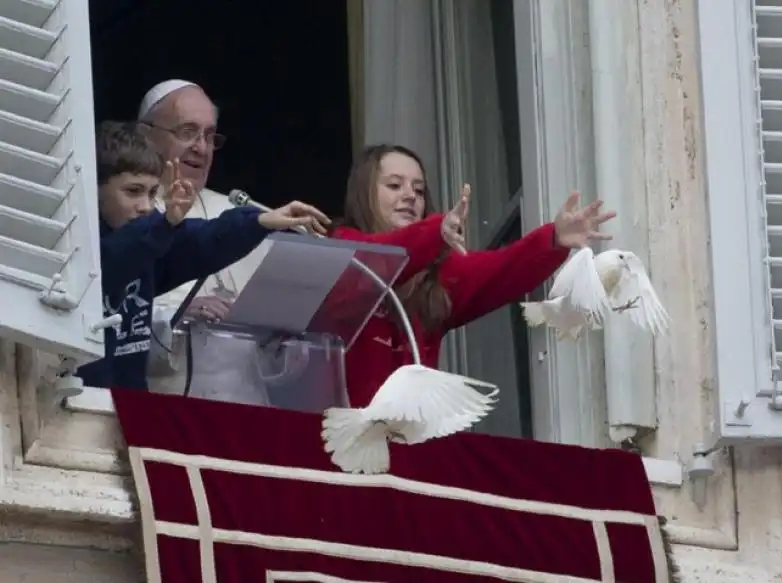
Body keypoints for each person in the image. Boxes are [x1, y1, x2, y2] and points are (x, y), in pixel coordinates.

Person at [331, 144, 617, 408]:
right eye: (395, 185)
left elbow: (503, 268)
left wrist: (554, 238)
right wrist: (435, 232)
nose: (410, 196)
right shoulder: (341, 249)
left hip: (411, 446)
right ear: (364, 194)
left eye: (419, 190)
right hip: (341, 444)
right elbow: (376, 259)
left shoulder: (436, 274)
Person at [76, 121, 329, 391]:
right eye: (133, 191)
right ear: (95, 188)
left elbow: (204, 239)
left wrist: (261, 221)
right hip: (79, 405)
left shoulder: (151, 241)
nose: (146, 207)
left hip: (129, 407)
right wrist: (163, 225)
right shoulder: (79, 249)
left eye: (152, 193)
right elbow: (114, 261)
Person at [136, 80, 293, 400]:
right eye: (187, 131)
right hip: (162, 411)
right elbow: (110, 321)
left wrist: (281, 336)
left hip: (245, 414)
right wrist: (180, 312)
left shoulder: (241, 215)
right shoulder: (126, 212)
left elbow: (281, 353)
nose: (201, 147)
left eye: (210, 136)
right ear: (146, 135)